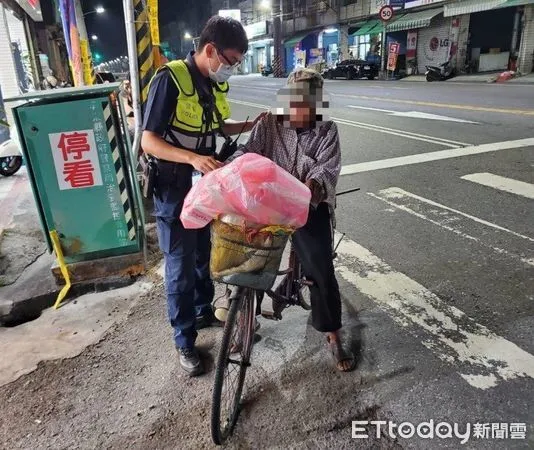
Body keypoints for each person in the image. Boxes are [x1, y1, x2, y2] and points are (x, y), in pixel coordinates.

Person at [141, 16, 265, 377]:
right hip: (173, 187)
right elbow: (149, 140)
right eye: (229, 61)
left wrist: (249, 125)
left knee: (202, 255)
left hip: (204, 186)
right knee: (179, 264)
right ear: (210, 50)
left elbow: (214, 126)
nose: (230, 68)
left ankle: (202, 310)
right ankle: (184, 339)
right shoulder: (170, 79)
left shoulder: (210, 83)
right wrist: (193, 157)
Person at [215, 68, 355, 372]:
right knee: (241, 248)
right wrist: (231, 166)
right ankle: (237, 311)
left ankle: (332, 333)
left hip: (306, 205)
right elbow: (247, 152)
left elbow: (327, 169)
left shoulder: (327, 129)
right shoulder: (269, 122)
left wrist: (311, 188)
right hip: (268, 201)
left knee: (320, 267)